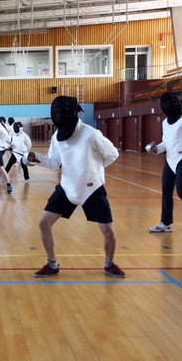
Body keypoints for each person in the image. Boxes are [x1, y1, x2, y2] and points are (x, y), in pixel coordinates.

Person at [24, 96, 125, 278]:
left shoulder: (91, 134)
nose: (57, 116)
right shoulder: (57, 136)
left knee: (108, 231)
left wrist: (93, 171)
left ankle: (110, 263)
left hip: (91, 188)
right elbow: (55, 163)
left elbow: (112, 154)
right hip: (67, 186)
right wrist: (36, 158)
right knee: (43, 223)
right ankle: (52, 264)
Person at [147, 92, 182, 233]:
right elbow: (167, 143)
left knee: (181, 191)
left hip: (181, 160)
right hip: (170, 161)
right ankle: (165, 222)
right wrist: (156, 148)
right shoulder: (165, 123)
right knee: (166, 191)